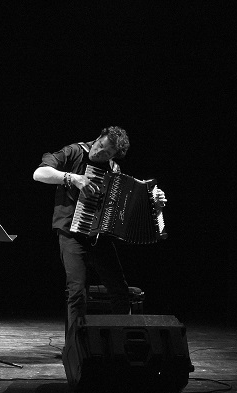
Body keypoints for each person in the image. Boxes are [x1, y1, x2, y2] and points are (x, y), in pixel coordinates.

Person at [33, 126, 166, 331]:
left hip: (99, 237)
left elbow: (124, 211)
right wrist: (72, 178)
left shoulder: (113, 170)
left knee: (120, 291)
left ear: (113, 156)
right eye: (100, 146)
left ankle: (120, 340)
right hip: (71, 233)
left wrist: (152, 204)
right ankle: (76, 344)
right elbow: (39, 173)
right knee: (78, 291)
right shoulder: (75, 151)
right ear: (97, 138)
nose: (99, 153)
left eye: (106, 153)